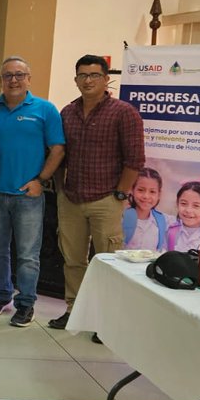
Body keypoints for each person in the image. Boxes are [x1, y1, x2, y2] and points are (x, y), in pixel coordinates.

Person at [51, 54, 145, 330]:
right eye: (82, 75)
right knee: (72, 260)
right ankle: (75, 310)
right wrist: (59, 191)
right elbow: (60, 154)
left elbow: (135, 160)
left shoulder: (123, 113)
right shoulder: (67, 112)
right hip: (71, 198)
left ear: (106, 79)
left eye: (94, 75)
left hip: (107, 199)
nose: (88, 80)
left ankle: (105, 321)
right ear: (76, 80)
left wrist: (120, 194)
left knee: (107, 262)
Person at [0, 56, 65, 327]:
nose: (13, 80)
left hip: (28, 196)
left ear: (29, 78)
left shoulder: (45, 110)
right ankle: (1, 296)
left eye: (19, 75)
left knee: (28, 255)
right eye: (7, 75)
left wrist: (41, 180)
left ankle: (26, 303)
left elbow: (58, 149)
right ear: (1, 80)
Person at [123, 167, 168, 250]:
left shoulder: (163, 221)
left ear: (159, 194)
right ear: (132, 190)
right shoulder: (121, 218)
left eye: (152, 192)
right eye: (141, 190)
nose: (146, 196)